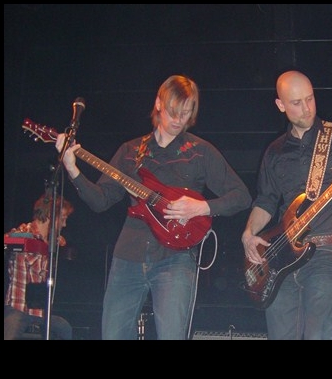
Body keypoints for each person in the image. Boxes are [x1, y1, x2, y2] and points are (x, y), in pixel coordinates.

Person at [55, 74, 252, 340]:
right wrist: (72, 169)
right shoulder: (130, 151)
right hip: (128, 255)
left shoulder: (200, 151)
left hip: (176, 259)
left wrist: (201, 207)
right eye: (173, 112)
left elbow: (241, 196)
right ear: (158, 103)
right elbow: (101, 201)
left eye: (185, 113)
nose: (178, 120)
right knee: (112, 334)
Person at [241, 70, 332, 340]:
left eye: (310, 98)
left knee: (318, 333)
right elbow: (266, 202)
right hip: (280, 253)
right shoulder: (274, 151)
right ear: (280, 105)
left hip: (326, 249)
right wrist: (248, 234)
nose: (307, 108)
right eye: (296, 102)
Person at [4, 193, 74, 340]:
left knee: (64, 327)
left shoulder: (52, 242)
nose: (64, 224)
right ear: (50, 215)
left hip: (40, 313)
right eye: (62, 218)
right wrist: (12, 238)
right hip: (17, 308)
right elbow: (9, 240)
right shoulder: (25, 232)